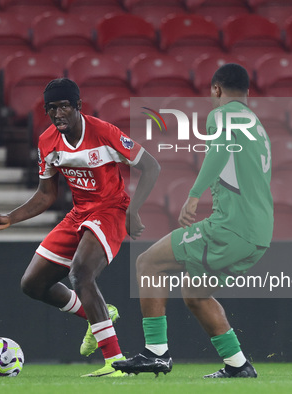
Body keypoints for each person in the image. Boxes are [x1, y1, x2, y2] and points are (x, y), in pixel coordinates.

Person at [0, 78, 160, 377]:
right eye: (51, 108)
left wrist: (133, 211)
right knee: (32, 284)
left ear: (78, 106)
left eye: (64, 106)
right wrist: (11, 218)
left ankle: (114, 362)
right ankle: (98, 317)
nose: (57, 114)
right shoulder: (47, 141)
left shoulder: (104, 133)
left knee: (80, 273)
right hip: (79, 214)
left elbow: (152, 166)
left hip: (110, 210)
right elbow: (46, 194)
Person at [112, 63, 273, 378]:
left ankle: (156, 353)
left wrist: (195, 194)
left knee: (148, 263)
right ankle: (238, 366)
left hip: (231, 228)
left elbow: (220, 151)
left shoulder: (222, 115)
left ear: (216, 89)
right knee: (194, 292)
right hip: (259, 234)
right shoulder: (257, 124)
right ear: (248, 93)